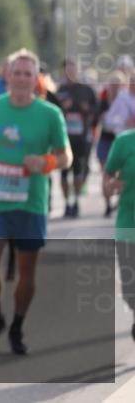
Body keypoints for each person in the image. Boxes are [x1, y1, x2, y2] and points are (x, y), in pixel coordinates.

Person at [0, 49, 71, 355]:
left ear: (36, 79)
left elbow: (66, 156)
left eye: (27, 74)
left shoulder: (50, 114)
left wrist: (46, 162)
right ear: (7, 76)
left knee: (26, 271)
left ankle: (18, 325)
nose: (21, 79)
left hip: (31, 203)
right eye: (16, 73)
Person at [54, 59, 99, 218]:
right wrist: (62, 108)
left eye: (73, 69)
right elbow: (53, 111)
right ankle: (67, 204)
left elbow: (97, 110)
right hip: (64, 139)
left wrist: (88, 110)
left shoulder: (86, 90)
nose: (70, 72)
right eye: (68, 69)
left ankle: (77, 202)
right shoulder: (60, 90)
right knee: (64, 173)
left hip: (81, 138)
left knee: (79, 171)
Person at [103, 127, 135, 342]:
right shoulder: (124, 142)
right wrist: (110, 185)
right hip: (128, 225)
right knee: (130, 289)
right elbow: (107, 178)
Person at [98, 70, 130, 216]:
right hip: (106, 140)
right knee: (106, 171)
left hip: (122, 141)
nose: (115, 86)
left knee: (123, 172)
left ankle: (120, 198)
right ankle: (107, 204)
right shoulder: (104, 100)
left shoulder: (126, 99)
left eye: (118, 83)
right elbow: (101, 119)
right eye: (113, 83)